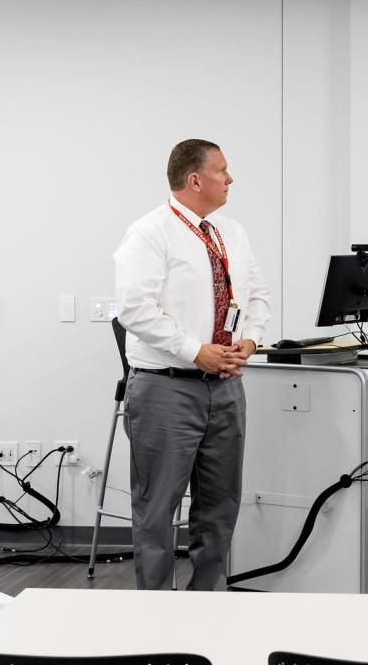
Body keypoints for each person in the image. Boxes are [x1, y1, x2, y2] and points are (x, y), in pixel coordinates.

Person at [113, 138, 271, 590]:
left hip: (225, 387)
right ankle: (159, 617)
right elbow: (135, 309)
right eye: (223, 170)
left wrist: (250, 340)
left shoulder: (231, 233)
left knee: (220, 506)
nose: (230, 178)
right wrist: (194, 350)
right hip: (167, 388)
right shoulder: (149, 232)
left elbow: (257, 296)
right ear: (194, 179)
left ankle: (208, 602)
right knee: (157, 509)